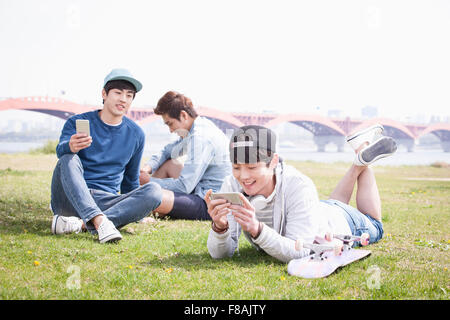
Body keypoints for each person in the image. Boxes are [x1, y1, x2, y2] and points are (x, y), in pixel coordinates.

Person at [205, 124, 397, 263]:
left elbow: (300, 252)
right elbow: (221, 255)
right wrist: (220, 228)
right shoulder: (230, 183)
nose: (243, 176)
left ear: (273, 162)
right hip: (320, 210)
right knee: (334, 204)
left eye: (252, 167)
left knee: (375, 224)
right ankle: (360, 154)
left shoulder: (298, 185)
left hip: (344, 223)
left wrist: (257, 229)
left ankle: (362, 156)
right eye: (236, 167)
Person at [50, 68, 163, 243]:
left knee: (154, 191)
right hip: (70, 200)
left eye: (129, 95)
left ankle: (80, 225)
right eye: (118, 93)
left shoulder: (136, 134)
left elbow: (130, 181)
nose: (123, 99)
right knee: (68, 158)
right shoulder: (77, 122)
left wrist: (138, 212)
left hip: (106, 201)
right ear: (104, 93)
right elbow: (60, 153)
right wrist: (70, 146)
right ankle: (100, 221)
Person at [139, 91, 231, 220]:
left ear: (183, 115)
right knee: (169, 164)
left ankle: (143, 204)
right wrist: (147, 168)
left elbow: (184, 187)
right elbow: (167, 151)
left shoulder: (201, 138)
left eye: (170, 123)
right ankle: (146, 202)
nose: (171, 130)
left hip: (210, 203)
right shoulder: (196, 128)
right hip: (200, 188)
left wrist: (147, 181)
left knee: (151, 196)